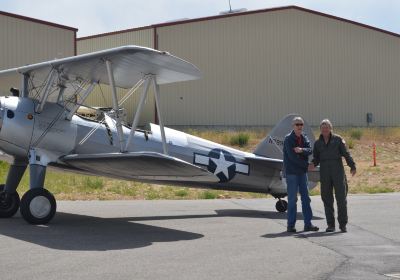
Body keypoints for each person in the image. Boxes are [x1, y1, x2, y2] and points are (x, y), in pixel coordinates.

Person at [309, 119, 356, 233]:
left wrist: (352, 166)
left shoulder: (338, 139)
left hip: (337, 171)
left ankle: (343, 224)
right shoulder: (318, 143)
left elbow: (346, 154)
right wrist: (312, 164)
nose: (325, 129)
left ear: (330, 128)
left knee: (341, 199)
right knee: (326, 199)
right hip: (325, 172)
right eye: (323, 128)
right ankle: (330, 225)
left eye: (327, 127)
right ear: (320, 129)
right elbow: (316, 158)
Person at [283, 116, 319, 233]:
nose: (299, 126)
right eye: (297, 124)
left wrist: (301, 150)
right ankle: (290, 225)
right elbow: (292, 158)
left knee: (306, 199)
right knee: (293, 199)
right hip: (292, 173)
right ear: (293, 126)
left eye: (301, 124)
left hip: (302, 174)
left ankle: (308, 224)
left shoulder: (304, 137)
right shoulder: (288, 139)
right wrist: (306, 165)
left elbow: (310, 150)